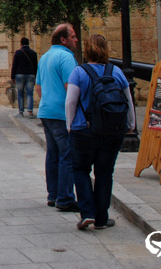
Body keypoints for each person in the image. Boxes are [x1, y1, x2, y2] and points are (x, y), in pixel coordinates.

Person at [66, 34, 135, 230]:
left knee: (80, 169)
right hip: (112, 130)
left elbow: (71, 101)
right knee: (104, 173)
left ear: (87, 50)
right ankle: (102, 218)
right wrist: (130, 124)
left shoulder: (79, 72)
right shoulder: (117, 72)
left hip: (83, 130)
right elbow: (128, 100)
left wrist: (70, 125)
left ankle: (87, 213)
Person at [35, 23, 79, 212]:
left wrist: (48, 101)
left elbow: (38, 87)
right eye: (73, 36)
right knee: (67, 155)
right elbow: (72, 87)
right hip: (61, 113)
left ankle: (53, 195)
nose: (76, 39)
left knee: (53, 154)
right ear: (63, 39)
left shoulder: (44, 57)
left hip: (46, 111)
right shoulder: (66, 57)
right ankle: (65, 198)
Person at [11, 37, 38, 117]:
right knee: (30, 93)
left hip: (19, 74)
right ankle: (30, 112)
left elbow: (14, 65)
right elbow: (35, 66)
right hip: (30, 75)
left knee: (20, 93)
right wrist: (35, 76)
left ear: (21, 44)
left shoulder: (18, 52)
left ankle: (21, 111)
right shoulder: (33, 53)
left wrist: (12, 76)